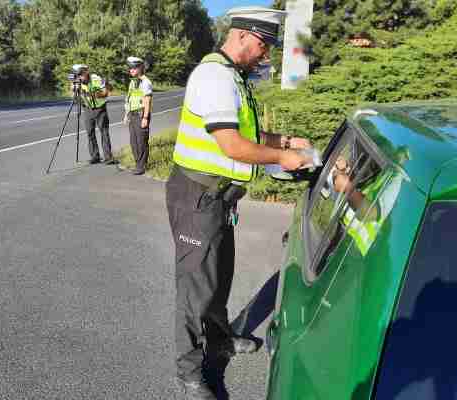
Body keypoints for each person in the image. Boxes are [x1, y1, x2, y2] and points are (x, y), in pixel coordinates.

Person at [165, 6, 314, 399]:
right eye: (263, 45)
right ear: (242, 35)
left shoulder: (233, 76)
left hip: (219, 198)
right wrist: (283, 159)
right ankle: (190, 372)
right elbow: (232, 145)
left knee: (219, 277)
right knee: (196, 286)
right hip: (198, 195)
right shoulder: (215, 76)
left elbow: (244, 131)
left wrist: (282, 141)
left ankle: (220, 340)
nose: (265, 55)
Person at [73, 64, 115, 164]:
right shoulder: (77, 82)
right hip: (87, 109)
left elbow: (106, 93)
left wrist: (92, 94)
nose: (78, 77)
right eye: (77, 75)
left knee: (104, 132)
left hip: (100, 109)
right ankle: (95, 156)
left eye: (80, 74)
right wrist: (75, 91)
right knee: (90, 133)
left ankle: (108, 157)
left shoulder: (96, 79)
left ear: (86, 73)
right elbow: (75, 99)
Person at [123, 56, 153, 175]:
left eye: (134, 68)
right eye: (130, 68)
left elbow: (147, 100)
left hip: (141, 114)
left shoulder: (146, 82)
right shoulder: (132, 82)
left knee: (141, 141)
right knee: (133, 141)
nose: (131, 70)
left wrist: (145, 117)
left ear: (140, 68)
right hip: (133, 114)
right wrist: (126, 114)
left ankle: (142, 166)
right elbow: (129, 99)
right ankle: (137, 164)